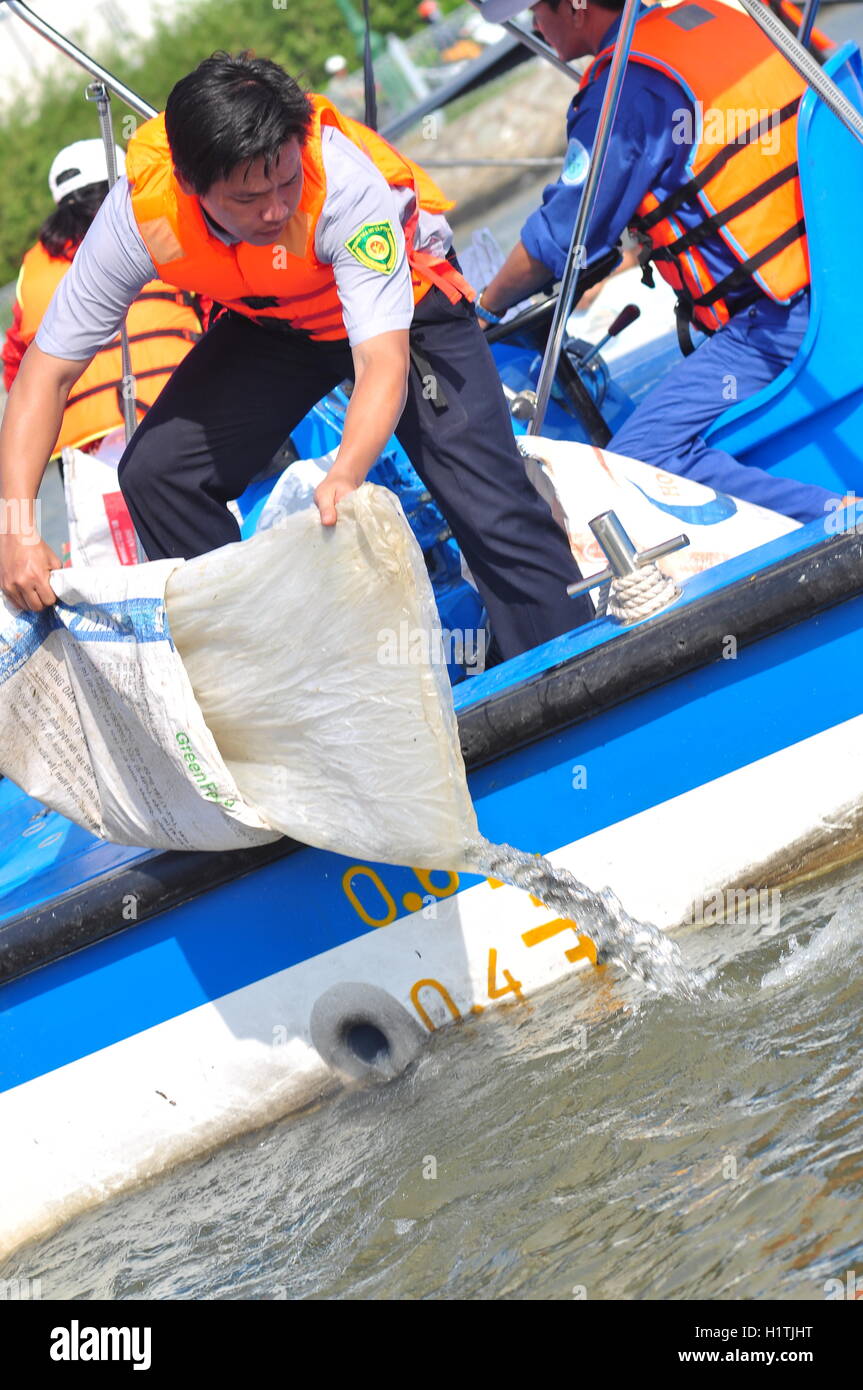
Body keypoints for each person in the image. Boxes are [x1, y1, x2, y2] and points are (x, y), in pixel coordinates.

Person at [0, 51, 591, 656]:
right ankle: (267, 671)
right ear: (190, 185)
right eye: (249, 199)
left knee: (489, 506)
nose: (277, 209)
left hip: (406, 316)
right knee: (157, 472)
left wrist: (346, 474)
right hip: (279, 323)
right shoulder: (142, 215)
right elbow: (44, 376)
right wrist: (17, 530)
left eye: (285, 181)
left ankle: (576, 666)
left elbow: (379, 364)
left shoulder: (342, 185)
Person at [476, 0, 842, 524]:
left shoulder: (626, 86)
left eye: (537, 8)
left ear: (577, 6)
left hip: (781, 317)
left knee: (634, 463)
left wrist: (484, 309)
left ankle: (836, 521)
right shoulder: (712, 18)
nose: (534, 24)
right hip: (834, 269)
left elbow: (560, 239)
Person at [2, 139, 207, 459]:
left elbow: (17, 369)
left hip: (86, 447)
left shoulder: (33, 265)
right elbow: (216, 307)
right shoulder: (158, 225)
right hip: (180, 409)